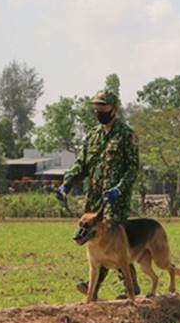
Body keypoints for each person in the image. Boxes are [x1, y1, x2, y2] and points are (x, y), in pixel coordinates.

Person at [58, 89, 139, 223]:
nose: (98, 111)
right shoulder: (92, 135)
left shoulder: (126, 135)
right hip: (93, 201)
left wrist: (119, 189)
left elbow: (133, 168)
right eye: (96, 108)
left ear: (114, 109)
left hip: (115, 203)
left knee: (111, 239)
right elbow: (81, 165)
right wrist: (67, 183)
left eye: (102, 107)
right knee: (90, 238)